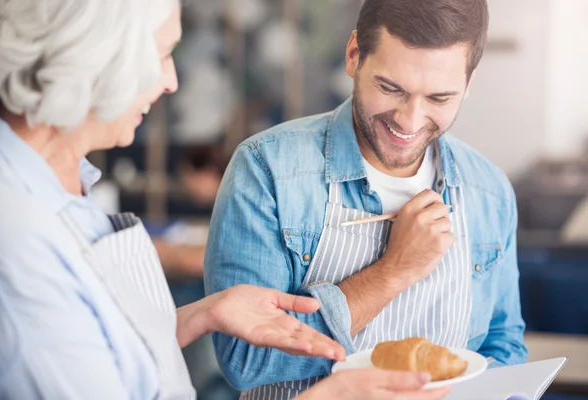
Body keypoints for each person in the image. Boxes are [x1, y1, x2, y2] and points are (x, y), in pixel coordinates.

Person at [0, 1, 450, 399]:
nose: (170, 82)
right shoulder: (15, 245)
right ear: (89, 58)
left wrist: (201, 314)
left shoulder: (52, 181)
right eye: (163, 53)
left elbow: (97, 353)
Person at [205, 0, 528, 398]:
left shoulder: (488, 190)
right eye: (391, 88)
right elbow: (244, 360)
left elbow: (503, 344)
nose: (409, 121)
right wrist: (391, 273)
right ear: (354, 54)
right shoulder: (268, 169)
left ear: (469, 81)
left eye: (439, 99)